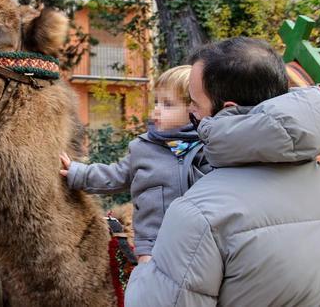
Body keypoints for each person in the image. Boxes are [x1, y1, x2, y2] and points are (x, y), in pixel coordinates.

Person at [125, 37, 320, 306]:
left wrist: (146, 270)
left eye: (194, 103)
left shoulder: (200, 215)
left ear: (227, 111)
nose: (190, 111)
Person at [60, 65, 210, 263]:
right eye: (157, 102)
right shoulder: (143, 148)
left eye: (168, 104)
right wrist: (77, 173)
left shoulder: (206, 148)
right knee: (150, 287)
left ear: (192, 109)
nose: (157, 109)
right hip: (152, 242)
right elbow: (114, 176)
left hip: (197, 240)